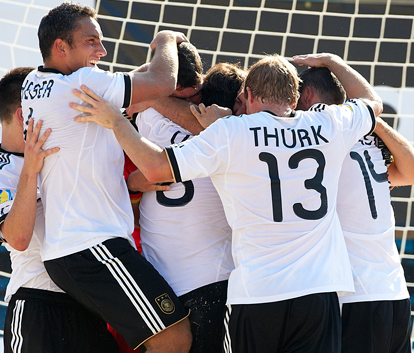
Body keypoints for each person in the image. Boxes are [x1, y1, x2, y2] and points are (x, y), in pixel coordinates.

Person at [69, 53, 382, 353]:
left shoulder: (232, 132)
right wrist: (333, 63)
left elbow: (154, 167)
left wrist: (116, 121)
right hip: (318, 292)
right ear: (295, 96)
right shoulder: (329, 124)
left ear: (246, 95)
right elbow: (372, 103)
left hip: (257, 293)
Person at [22, 3, 192, 352]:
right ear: (61, 47)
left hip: (72, 251)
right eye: (91, 42)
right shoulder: (84, 82)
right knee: (174, 338)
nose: (102, 51)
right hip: (93, 247)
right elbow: (164, 81)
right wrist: (165, 40)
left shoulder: (32, 83)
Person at [0, 67, 119, 353]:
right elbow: (18, 239)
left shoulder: (65, 153)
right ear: (23, 114)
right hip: (38, 307)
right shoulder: (0, 176)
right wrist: (30, 172)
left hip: (89, 305)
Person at [296, 62, 414, 353]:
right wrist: (372, 120)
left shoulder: (322, 129)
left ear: (306, 95)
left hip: (356, 296)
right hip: (394, 292)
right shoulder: (364, 141)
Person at [126, 62, 246, 353]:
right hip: (214, 283)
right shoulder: (233, 139)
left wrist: (132, 185)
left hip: (162, 288)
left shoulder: (147, 120)